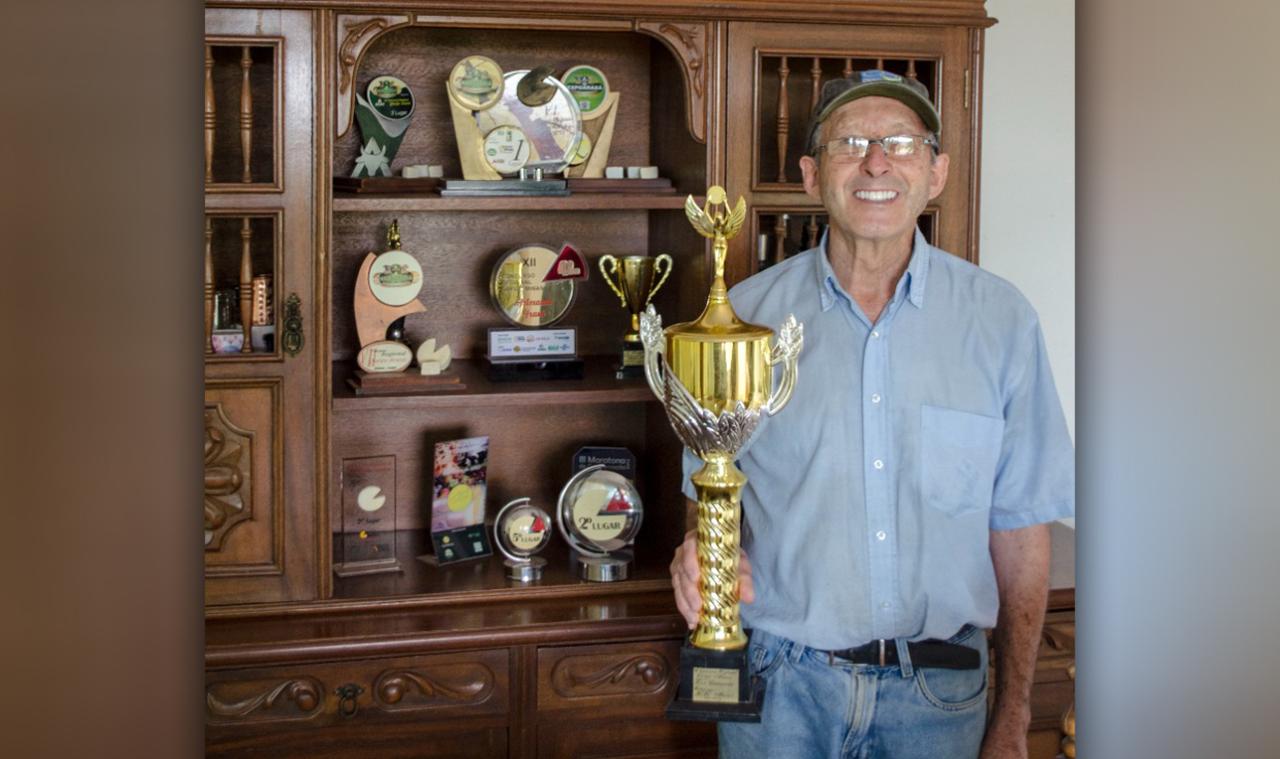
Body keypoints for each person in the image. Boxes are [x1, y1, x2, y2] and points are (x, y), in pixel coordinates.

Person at [670, 70, 1075, 759]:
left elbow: (1020, 531)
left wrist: (1013, 715)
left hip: (941, 699)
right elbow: (712, 486)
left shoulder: (1001, 321)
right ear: (810, 174)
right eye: (849, 142)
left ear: (937, 171)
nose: (877, 161)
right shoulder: (743, 319)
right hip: (780, 691)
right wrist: (700, 551)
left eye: (902, 143)